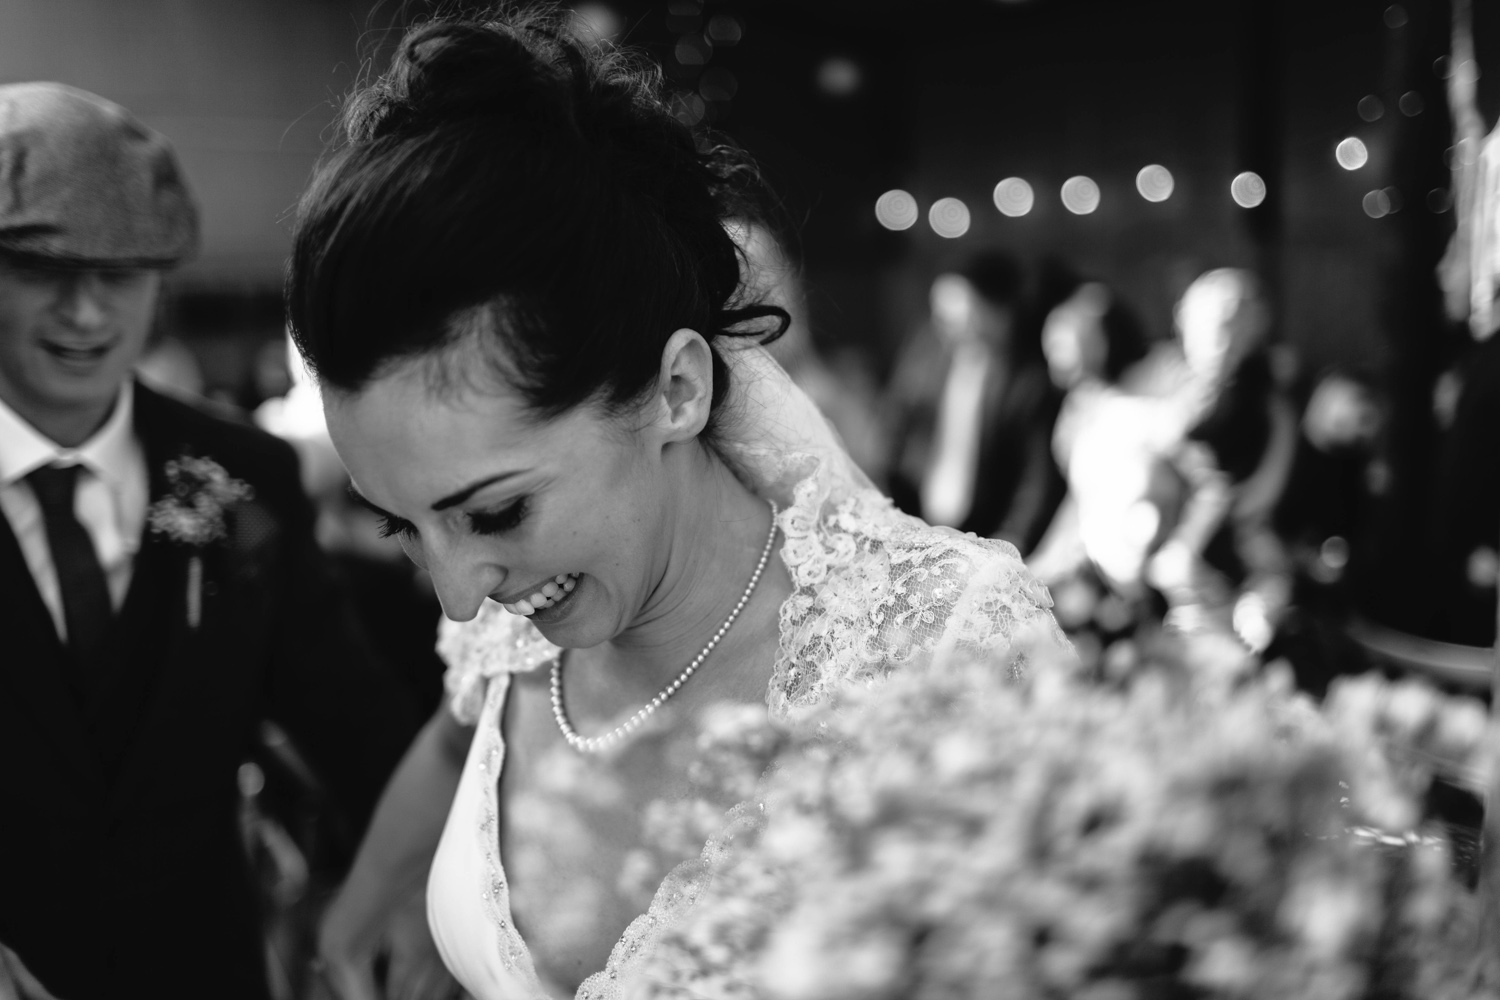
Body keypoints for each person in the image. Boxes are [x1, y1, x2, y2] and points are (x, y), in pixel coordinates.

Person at [287, 11, 1064, 999]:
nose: (456, 598)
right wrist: (369, 896)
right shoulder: (515, 631)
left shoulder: (952, 651)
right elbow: (462, 728)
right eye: (404, 524)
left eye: (494, 514)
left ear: (677, 391)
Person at [0, 83, 430, 1000]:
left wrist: (427, 895)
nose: (85, 314)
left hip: (201, 969)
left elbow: (355, 722)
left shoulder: (244, 472)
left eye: (119, 276)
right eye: (44, 271)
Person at [886, 252, 1066, 555]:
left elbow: (1036, 478)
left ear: (997, 309)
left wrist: (1013, 541)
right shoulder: (926, 361)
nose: (943, 318)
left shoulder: (1028, 381)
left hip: (990, 537)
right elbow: (897, 432)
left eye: (957, 304)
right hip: (921, 526)